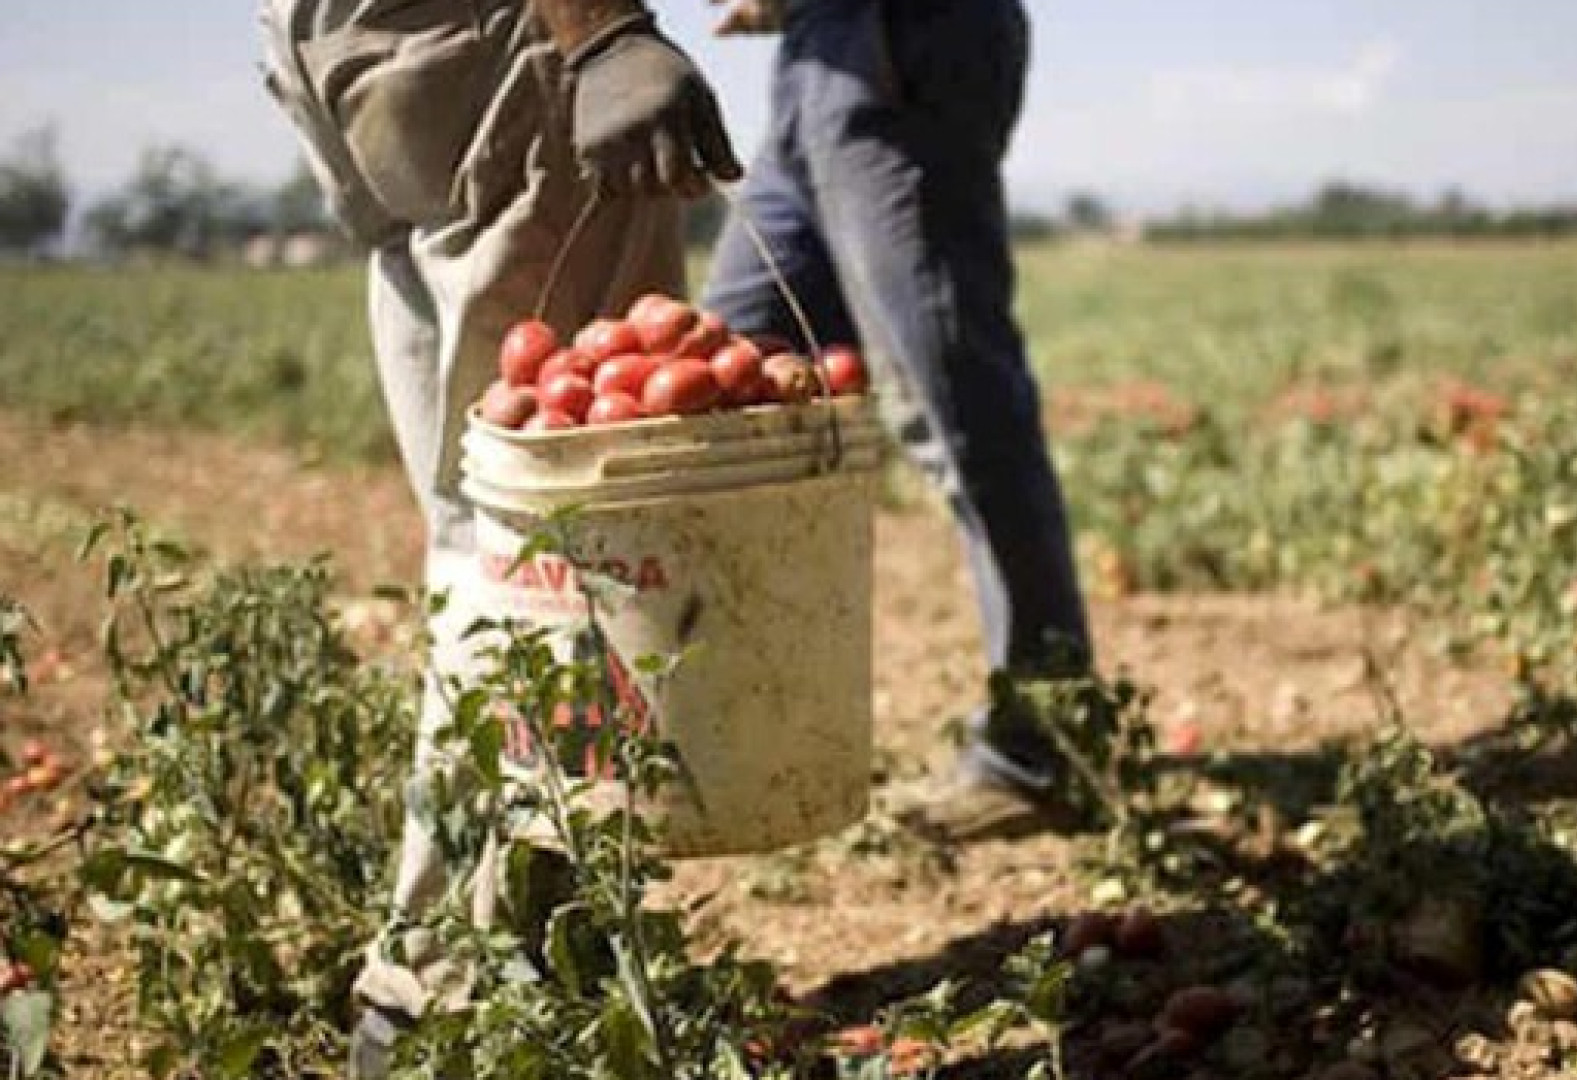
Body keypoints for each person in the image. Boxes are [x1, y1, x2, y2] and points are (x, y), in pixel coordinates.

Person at [258, 0, 741, 1074]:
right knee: (563, 538)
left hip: (345, 36)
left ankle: (509, 964)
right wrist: (604, 29)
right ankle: (450, 994)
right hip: (493, 36)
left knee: (488, 525)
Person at [699, 0, 1094, 838]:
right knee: (722, 375)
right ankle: (739, 724)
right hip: (815, 58)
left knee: (956, 404)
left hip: (905, 46)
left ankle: (1044, 749)